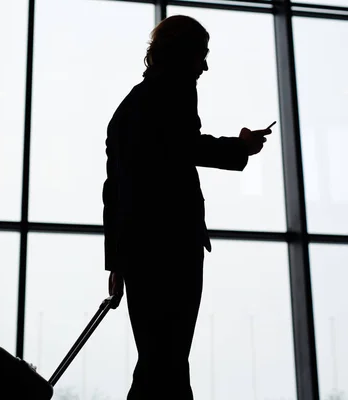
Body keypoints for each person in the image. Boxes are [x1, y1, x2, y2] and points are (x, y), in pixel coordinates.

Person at [102, 15, 272, 400]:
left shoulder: (128, 108)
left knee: (160, 360)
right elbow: (186, 146)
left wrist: (117, 261)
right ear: (184, 53)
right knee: (168, 361)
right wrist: (241, 147)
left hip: (139, 252)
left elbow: (115, 189)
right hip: (172, 245)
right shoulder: (174, 91)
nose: (205, 66)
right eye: (202, 55)